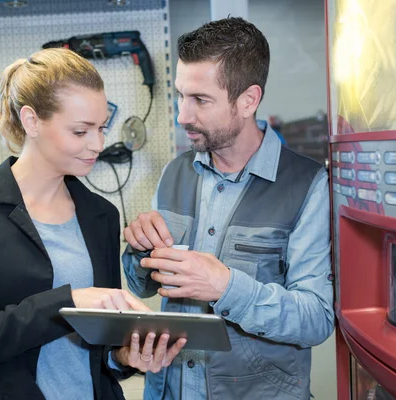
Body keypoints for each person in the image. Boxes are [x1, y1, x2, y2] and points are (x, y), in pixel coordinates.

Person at [0, 48, 185, 400]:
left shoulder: (100, 215)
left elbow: (99, 349)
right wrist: (68, 303)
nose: (98, 144)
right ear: (31, 121)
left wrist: (125, 356)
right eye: (80, 131)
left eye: (102, 128)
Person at [122, 17, 334, 400]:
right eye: (179, 96)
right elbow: (145, 285)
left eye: (200, 100)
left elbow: (316, 318)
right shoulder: (175, 172)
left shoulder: (307, 184)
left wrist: (226, 287)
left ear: (248, 100)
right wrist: (138, 253)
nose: (182, 115)